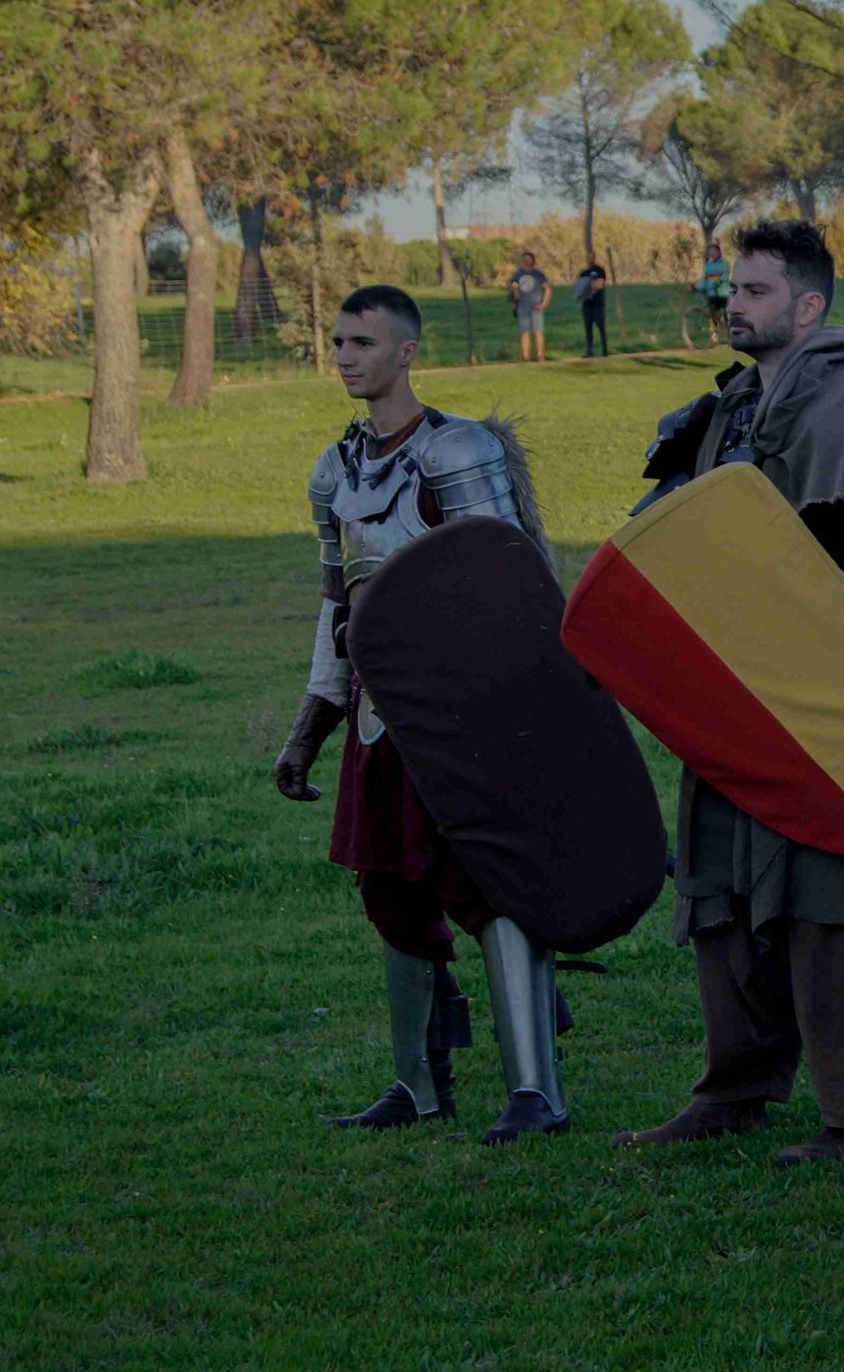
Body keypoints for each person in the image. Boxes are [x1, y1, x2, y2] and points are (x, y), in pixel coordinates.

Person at [612, 221, 844, 1165]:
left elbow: (816, 557)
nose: (732, 305)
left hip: (824, 681)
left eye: (754, 291)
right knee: (720, 887)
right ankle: (734, 1091)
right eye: (731, 289)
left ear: (809, 306)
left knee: (831, 896)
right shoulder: (732, 406)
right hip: (730, 675)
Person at [273, 284, 569, 1144]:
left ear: (407, 352)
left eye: (362, 342)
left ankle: (535, 1090)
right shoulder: (335, 469)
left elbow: (509, 589)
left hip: (467, 712)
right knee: (390, 884)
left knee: (489, 882)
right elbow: (340, 608)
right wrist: (309, 728)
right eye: (338, 342)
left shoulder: (457, 451)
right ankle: (418, 1084)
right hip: (379, 716)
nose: (345, 356)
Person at [507, 251, 549, 363]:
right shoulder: (518, 274)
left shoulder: (538, 274)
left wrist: (543, 304)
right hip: (522, 306)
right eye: (524, 259)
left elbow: (548, 288)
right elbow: (511, 285)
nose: (526, 261)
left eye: (528, 259)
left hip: (536, 307)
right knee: (524, 332)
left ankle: (540, 356)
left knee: (538, 332)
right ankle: (525, 357)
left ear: (533, 261)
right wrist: (513, 290)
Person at [695, 241, 731, 342]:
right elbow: (705, 279)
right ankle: (715, 333)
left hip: (723, 293)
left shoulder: (724, 264)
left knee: (725, 313)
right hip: (712, 294)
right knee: (712, 313)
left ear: (719, 252)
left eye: (714, 251)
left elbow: (725, 276)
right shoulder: (708, 265)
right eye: (710, 251)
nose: (712, 253)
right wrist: (696, 286)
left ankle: (730, 335)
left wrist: (717, 284)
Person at [574, 261, 609, 359]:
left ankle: (605, 349)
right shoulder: (583, 272)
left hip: (598, 304)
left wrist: (588, 284)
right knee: (588, 328)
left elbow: (600, 285)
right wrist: (590, 285)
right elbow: (579, 287)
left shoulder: (600, 270)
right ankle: (589, 351)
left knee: (601, 326)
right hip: (587, 304)